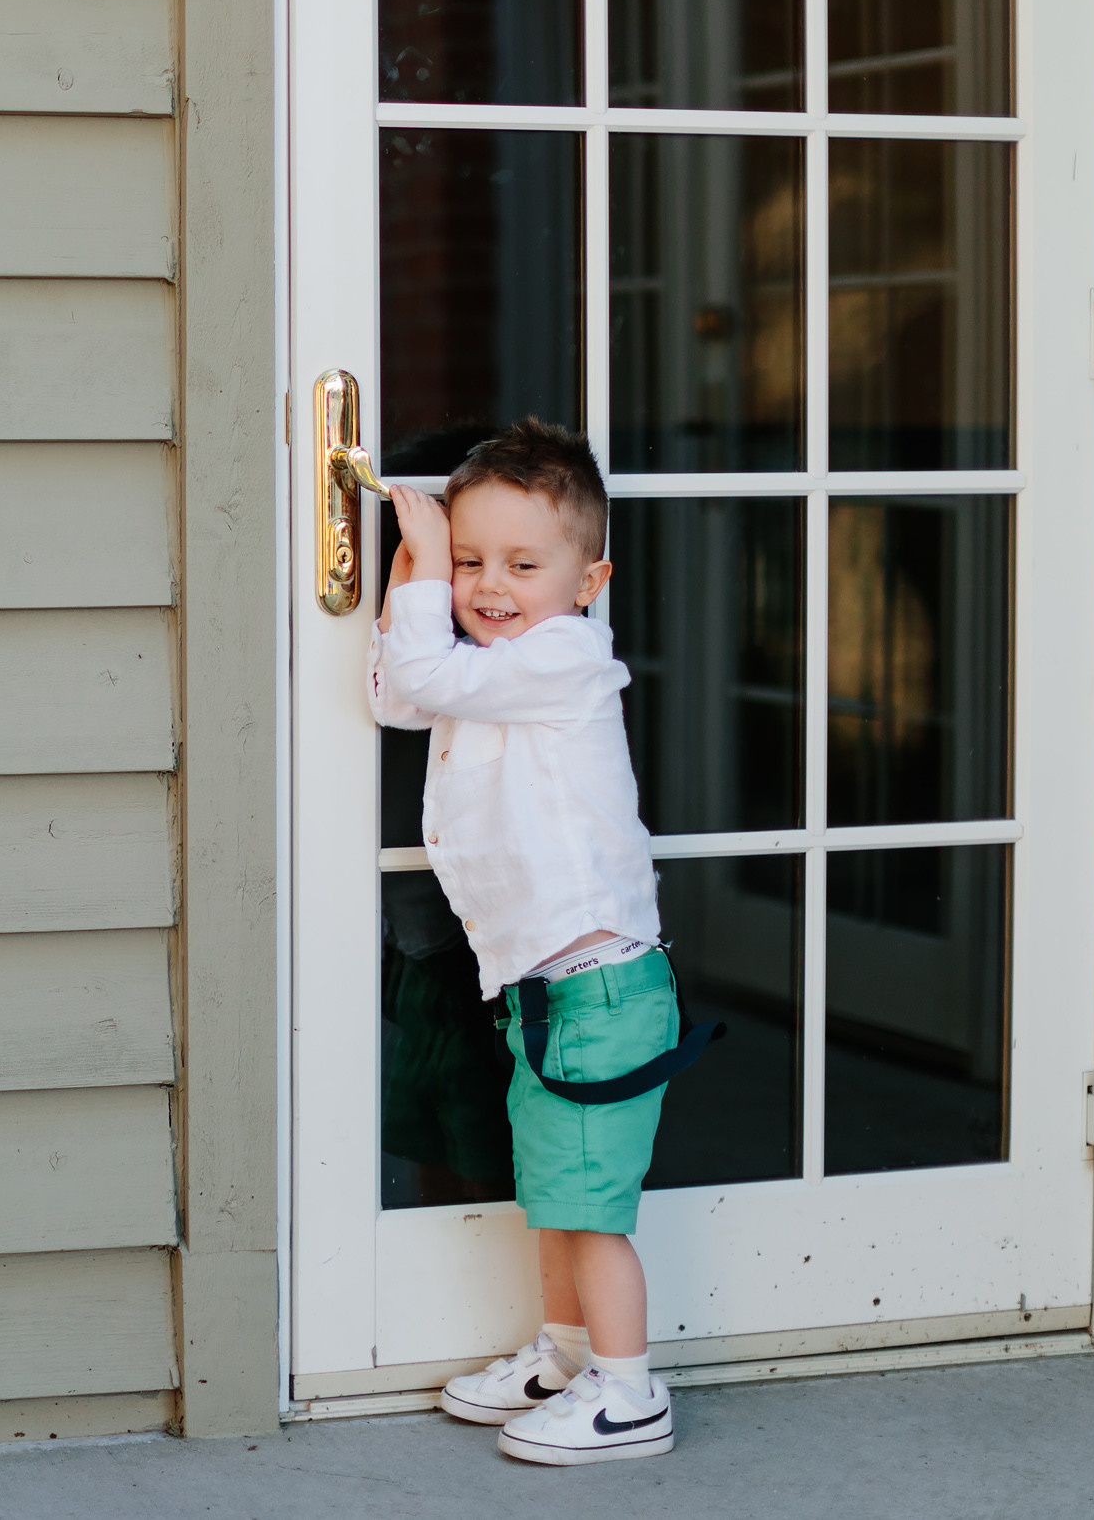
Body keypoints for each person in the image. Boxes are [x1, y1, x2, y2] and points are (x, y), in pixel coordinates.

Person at [368, 418, 708, 1467]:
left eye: (522, 563)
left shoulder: (559, 656)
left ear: (588, 578)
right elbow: (392, 692)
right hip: (549, 990)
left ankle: (626, 1390)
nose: (488, 586)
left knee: (590, 1210)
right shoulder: (488, 659)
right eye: (470, 562)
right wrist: (416, 576)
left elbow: (419, 680)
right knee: (554, 1193)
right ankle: (565, 1355)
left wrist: (423, 573)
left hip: (599, 989)